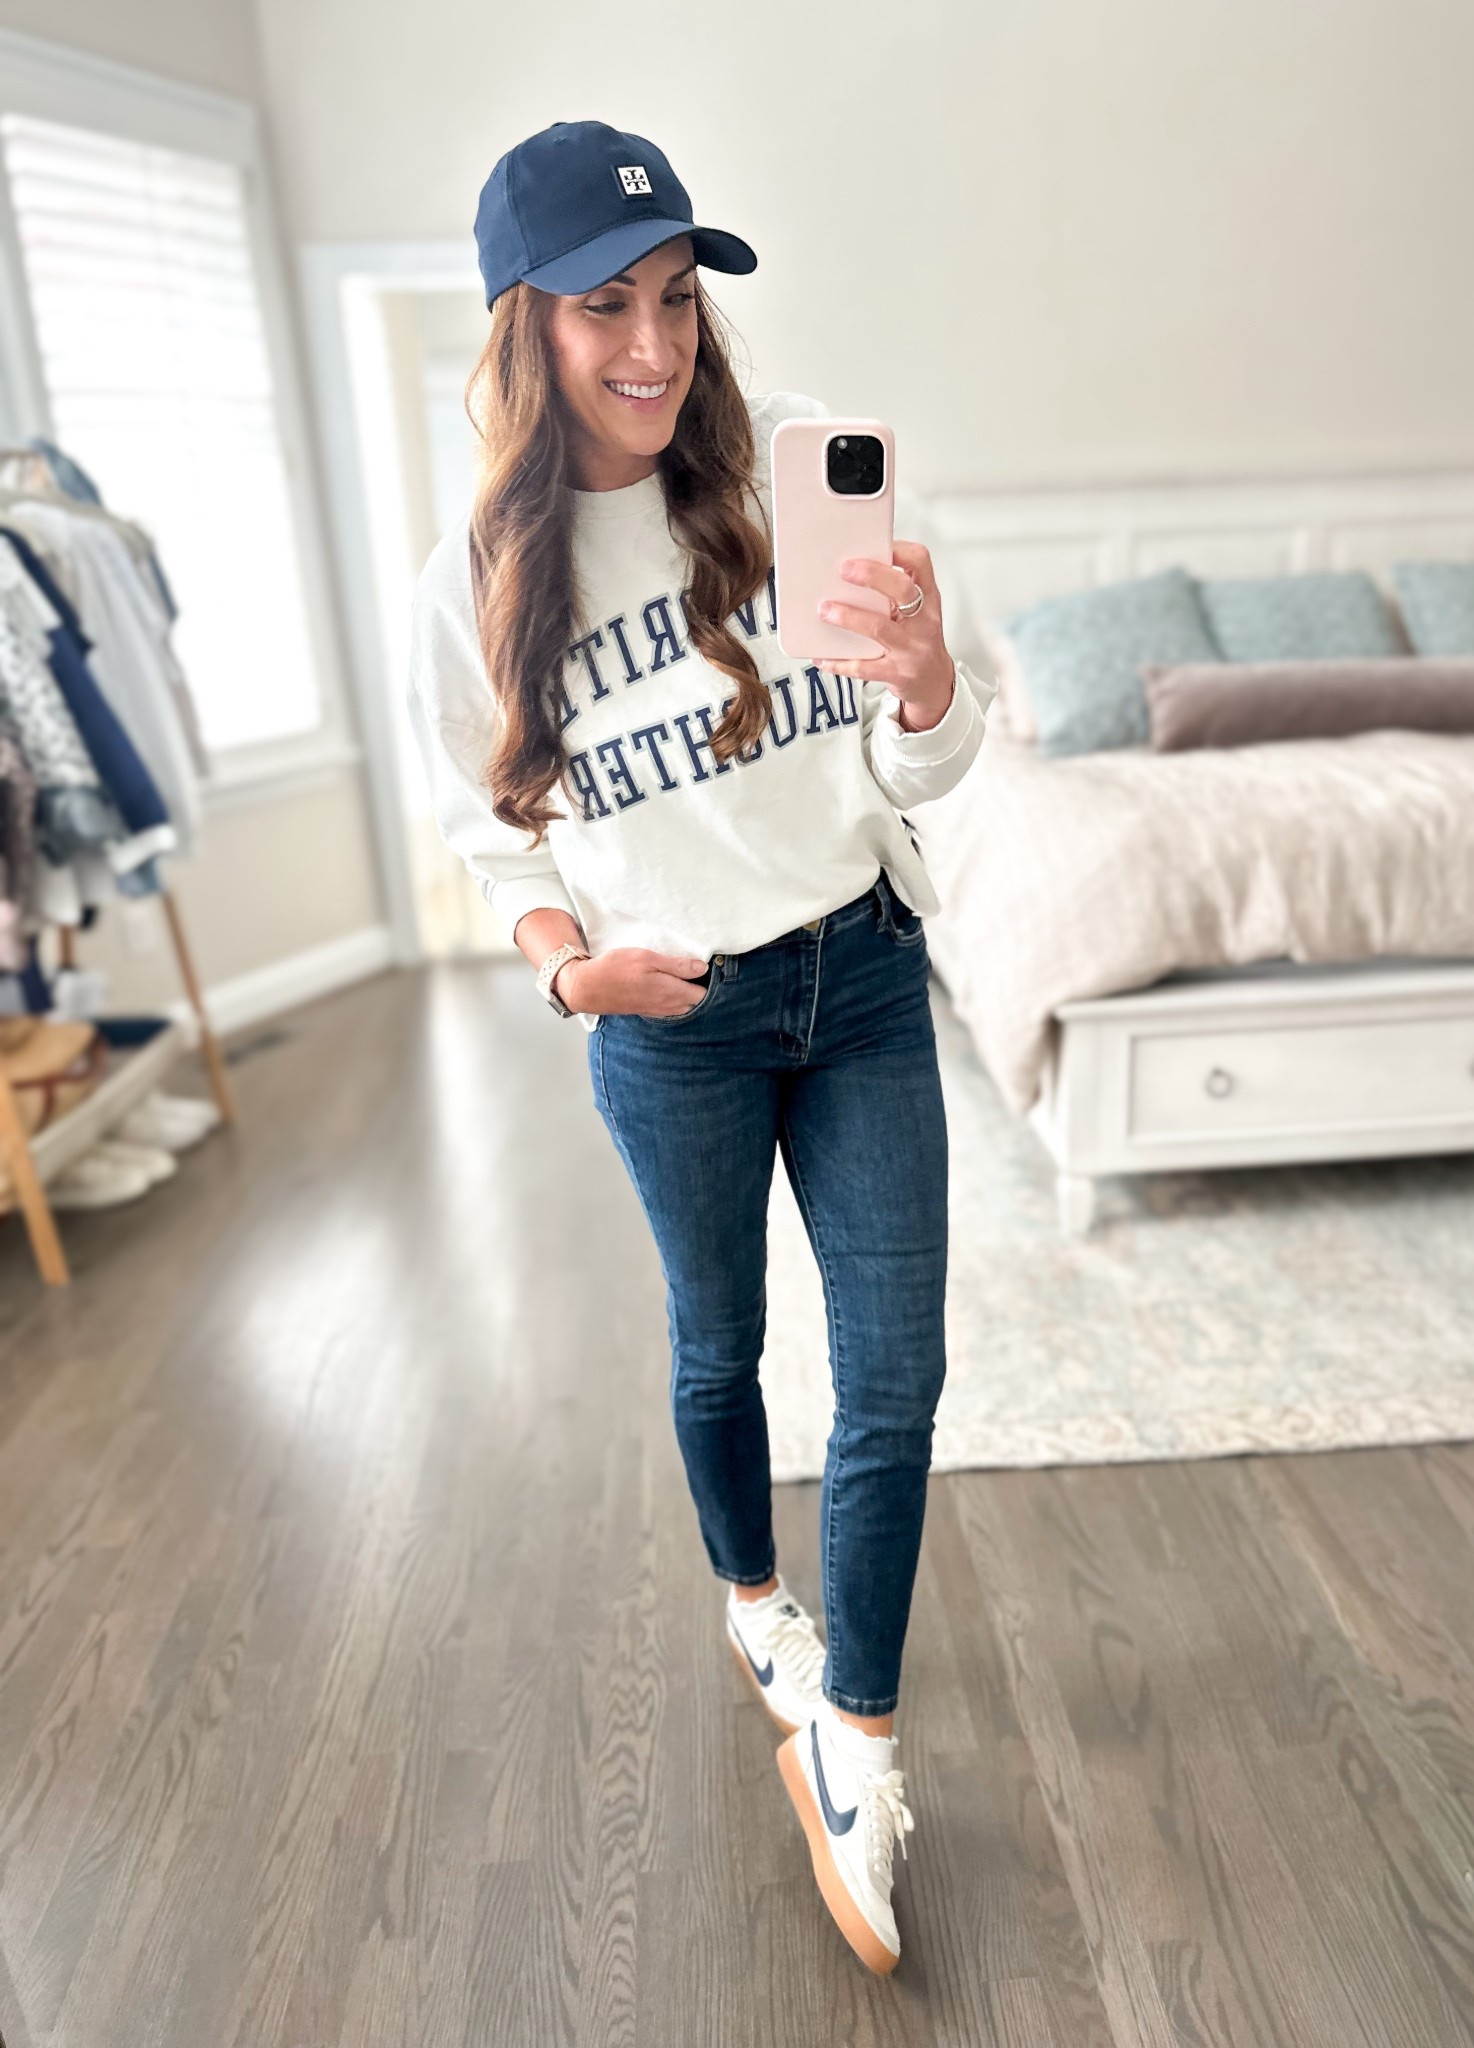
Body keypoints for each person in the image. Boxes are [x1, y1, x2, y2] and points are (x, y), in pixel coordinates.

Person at [406, 118, 997, 1974]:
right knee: (719, 1341)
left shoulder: (802, 473)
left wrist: (929, 688)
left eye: (675, 296)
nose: (653, 345)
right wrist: (572, 973)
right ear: (527, 324)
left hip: (864, 977)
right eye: (605, 307)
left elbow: (920, 767)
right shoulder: (480, 581)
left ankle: (862, 1739)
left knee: (896, 1381)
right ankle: (757, 1599)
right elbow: (490, 829)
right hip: (673, 1027)